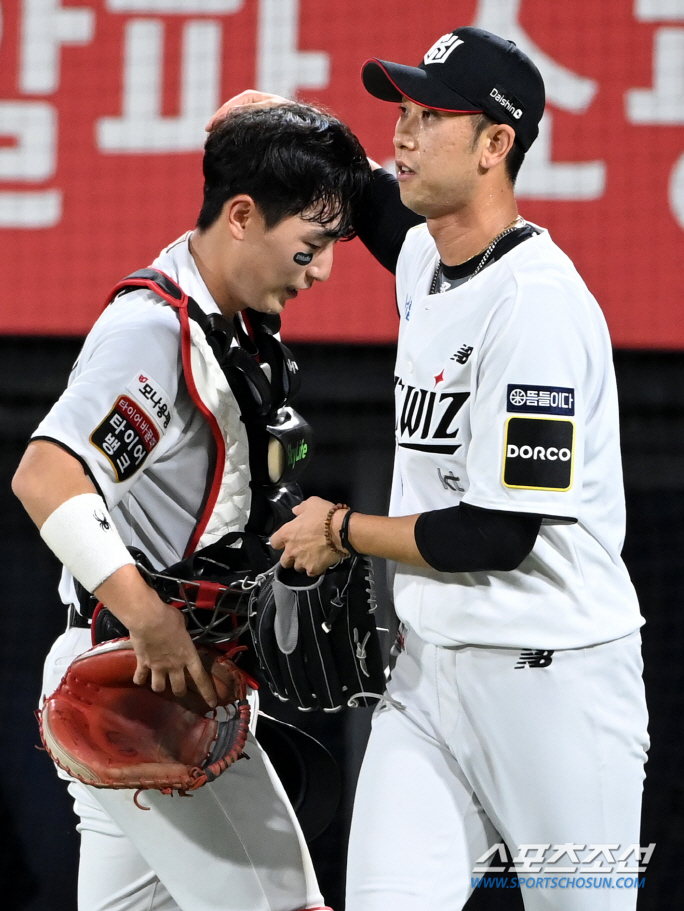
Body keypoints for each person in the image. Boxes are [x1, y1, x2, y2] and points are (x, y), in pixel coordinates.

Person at [228, 26, 648, 911]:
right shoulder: (430, 254)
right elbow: (369, 195)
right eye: (405, 112)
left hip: (556, 688)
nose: (404, 135)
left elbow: (494, 533)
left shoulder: (538, 309)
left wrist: (340, 530)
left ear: (497, 145)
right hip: (429, 682)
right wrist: (287, 124)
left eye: (432, 116)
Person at [11, 102, 370, 911]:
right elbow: (45, 476)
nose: (321, 272)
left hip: (161, 676)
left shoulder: (234, 321)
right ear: (241, 216)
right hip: (142, 682)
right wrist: (150, 618)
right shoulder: (153, 331)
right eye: (309, 249)